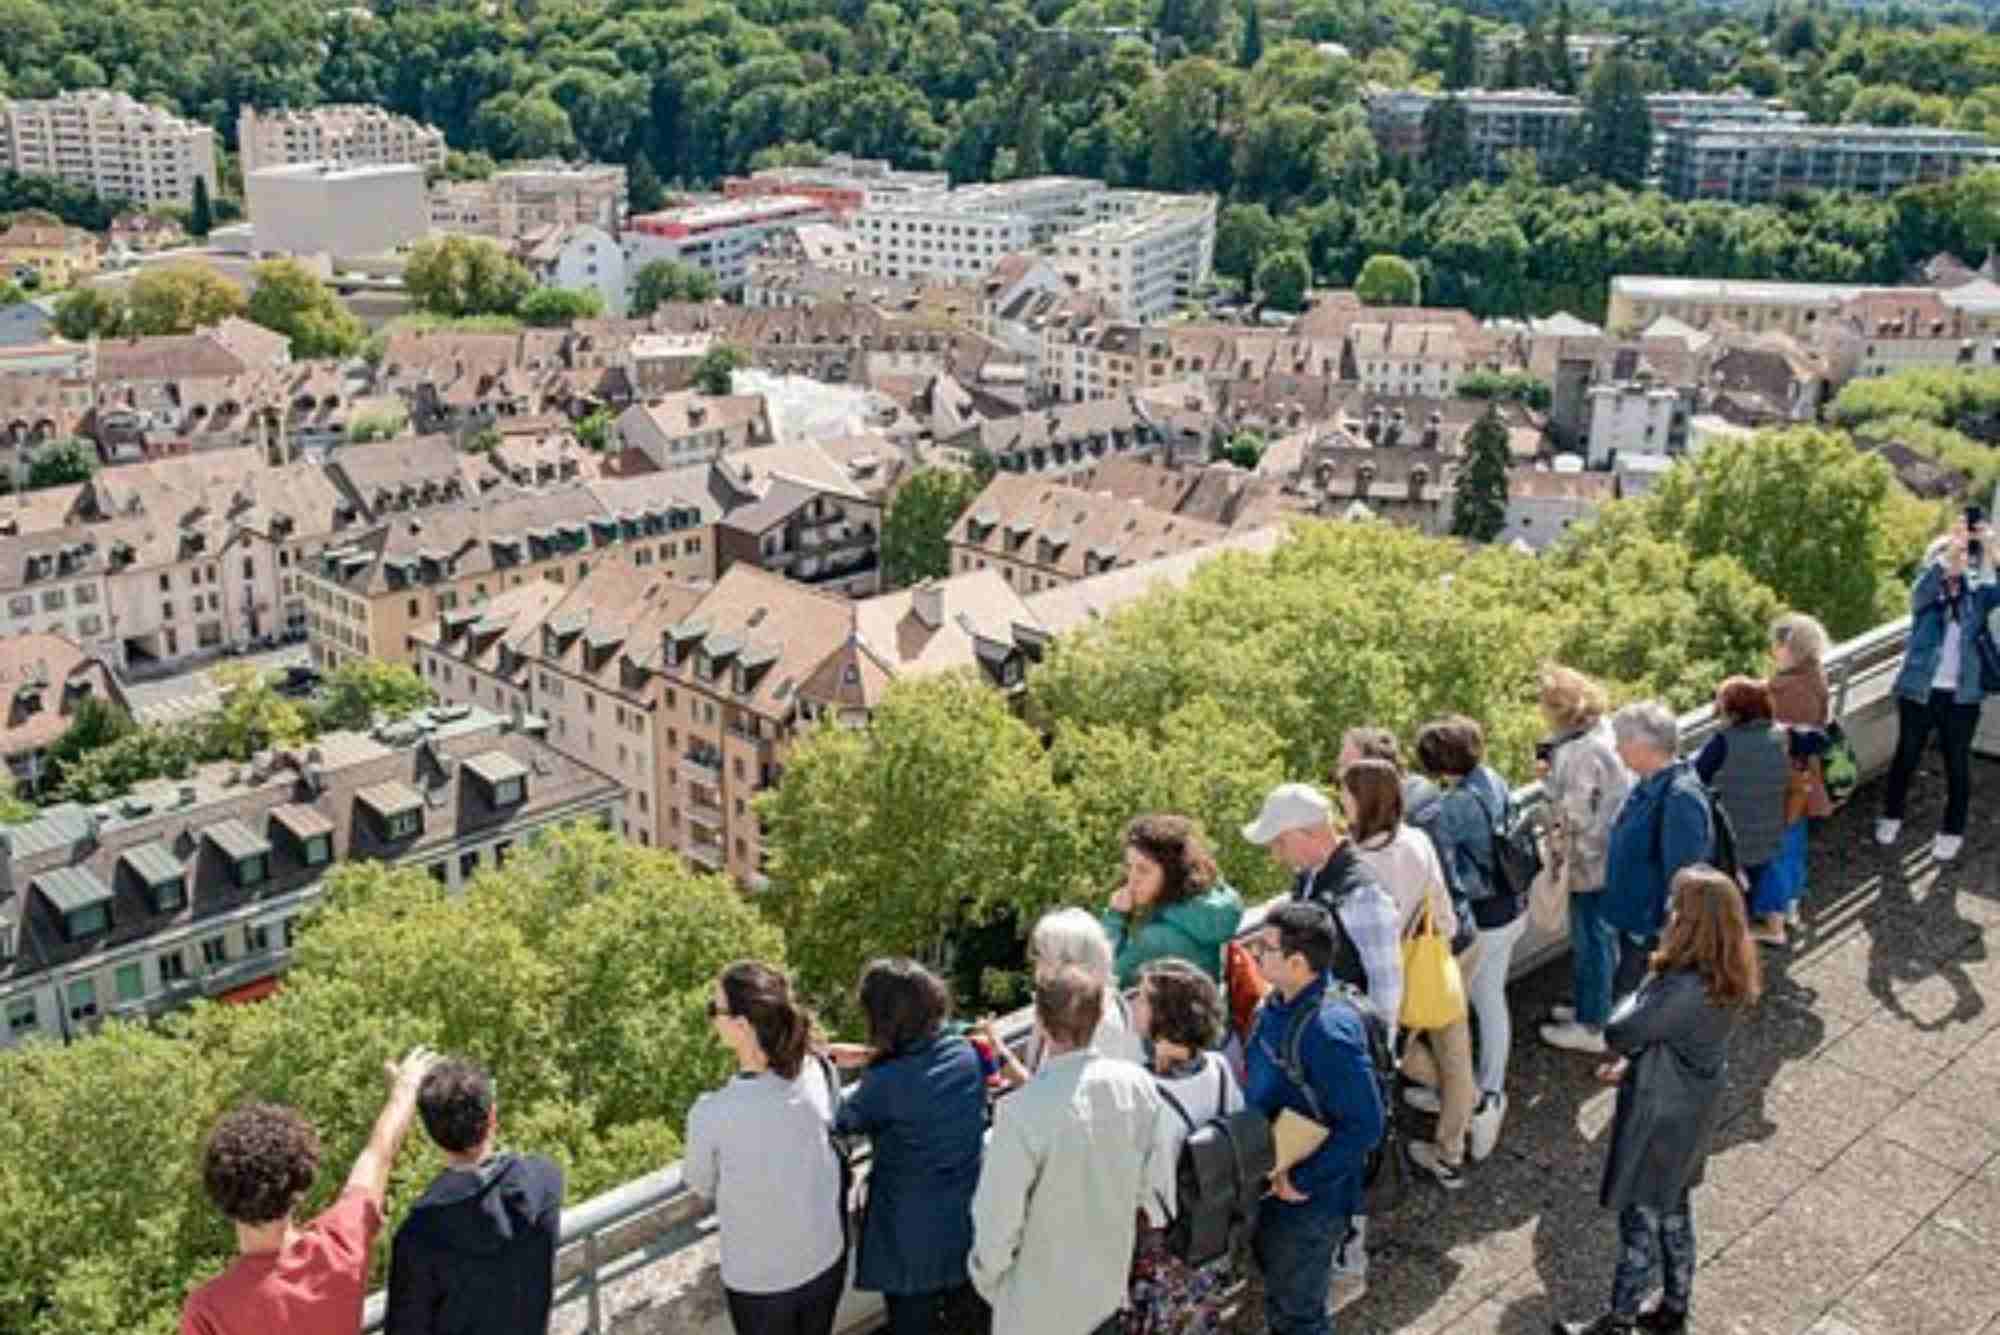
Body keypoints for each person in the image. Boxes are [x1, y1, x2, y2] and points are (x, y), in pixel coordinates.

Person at [1552, 868, 1762, 1335]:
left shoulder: (1681, 986)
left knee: (1639, 1220)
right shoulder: (1724, 972)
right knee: (1674, 1209)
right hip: (1692, 1106)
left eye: (1675, 906)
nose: (1667, 912)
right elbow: (1673, 1039)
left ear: (1691, 923)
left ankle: (1619, 1320)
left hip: (1660, 1115)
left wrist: (1649, 981)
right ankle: (1675, 1304)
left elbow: (1621, 1029)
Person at [181, 1046, 440, 1335]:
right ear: (299, 1186)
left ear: (218, 1193)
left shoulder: (208, 1310)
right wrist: (404, 1091)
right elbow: (377, 1155)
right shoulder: (341, 1247)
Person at [970, 963, 1162, 1335]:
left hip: (1037, 1304)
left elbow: (997, 1221)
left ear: (1040, 1020)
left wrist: (990, 1280)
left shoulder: (1020, 1112)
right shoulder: (1137, 1085)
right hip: (1106, 1287)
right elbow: (1150, 1191)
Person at [1244, 902, 1387, 1335]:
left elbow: (1366, 1125)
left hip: (1308, 1200)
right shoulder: (1279, 1002)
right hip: (1276, 1178)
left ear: (1297, 963)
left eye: (1265, 948)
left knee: (1299, 1313)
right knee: (1284, 1292)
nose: (1254, 952)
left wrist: (1301, 1181)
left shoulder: (1329, 1031)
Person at [684, 961, 847, 1335]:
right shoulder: (816, 1071)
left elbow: (700, 1183)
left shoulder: (712, 1113)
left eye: (715, 1010)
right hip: (825, 1256)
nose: (712, 1018)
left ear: (741, 1026)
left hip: (761, 1282)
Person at [827, 959, 988, 1335]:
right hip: (966, 1222)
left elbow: (842, 1122)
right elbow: (924, 1065)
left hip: (909, 1241)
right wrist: (871, 1056)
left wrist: (829, 1066)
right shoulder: (964, 1055)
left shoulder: (885, 1083)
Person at [1339, 757, 1476, 1191]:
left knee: (1396, 1053)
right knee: (1457, 1060)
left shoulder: (1355, 860)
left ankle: (1441, 1110)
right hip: (1433, 963)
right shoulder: (1417, 840)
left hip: (1388, 976)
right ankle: (1451, 1151)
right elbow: (1441, 905)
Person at [384, 1057, 565, 1335]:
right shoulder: (543, 1180)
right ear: (492, 1116)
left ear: (430, 1134)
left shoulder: (418, 1238)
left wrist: (404, 1098)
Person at [1410, 716, 1519, 1161]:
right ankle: (1474, 1089)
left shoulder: (1453, 805)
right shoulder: (1490, 779)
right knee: (1489, 999)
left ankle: (1486, 1093)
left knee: (1486, 1000)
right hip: (1513, 901)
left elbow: (1448, 865)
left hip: (1488, 913)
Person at [1128, 959, 1244, 1335]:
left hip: (1167, 1242)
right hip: (1213, 1227)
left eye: (1143, 999)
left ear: (1164, 1015)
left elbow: (1150, 1188)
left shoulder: (1145, 1092)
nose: (1134, 1005)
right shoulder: (1218, 1067)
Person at [1878, 519, 2000, 865]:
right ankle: (1891, 814)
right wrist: (1952, 553)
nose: (1957, 565)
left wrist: (1989, 548)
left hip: (1962, 697)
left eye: (1962, 559)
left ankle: (1953, 828)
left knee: (1956, 763)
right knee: (1907, 757)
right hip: (1919, 691)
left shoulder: (1977, 597)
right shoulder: (1927, 597)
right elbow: (1923, 589)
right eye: (1948, 560)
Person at [1242, 782, 1403, 1035]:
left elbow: (1386, 984)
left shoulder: (1361, 893)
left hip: (1345, 1040)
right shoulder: (1310, 878)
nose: (1276, 856)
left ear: (1307, 833)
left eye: (1280, 843)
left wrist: (1380, 1052)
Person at [1536, 666, 1633, 1057]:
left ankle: (1593, 1024)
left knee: (1593, 940)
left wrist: (1544, 784)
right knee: (1601, 938)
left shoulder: (1581, 752)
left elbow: (1573, 815)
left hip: (1591, 860)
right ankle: (1595, 1005)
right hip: (1613, 852)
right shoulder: (1603, 731)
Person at [1692, 676, 1825, 948]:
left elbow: (1697, 776)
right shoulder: (1784, 735)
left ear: (1733, 711)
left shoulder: (1722, 742)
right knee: (1767, 871)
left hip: (1733, 827)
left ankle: (1732, 932)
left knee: (1731, 878)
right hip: (1773, 823)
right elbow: (1821, 739)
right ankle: (1775, 927)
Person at [1602, 703, 1713, 1011]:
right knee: (1625, 980)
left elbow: (1686, 878)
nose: (1616, 748)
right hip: (1636, 915)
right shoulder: (1651, 781)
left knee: (1632, 991)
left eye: (1621, 741)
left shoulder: (1680, 797)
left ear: (1642, 746)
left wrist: (1670, 937)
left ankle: (1616, 1041)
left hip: (1649, 925)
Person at [986, 908, 1145, 1085]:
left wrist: (1001, 1055)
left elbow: (1057, 1096)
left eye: (1040, 955)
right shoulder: (1081, 1003)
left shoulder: (1097, 1019)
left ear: (1067, 961)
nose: (1035, 963)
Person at [1103, 814, 1245, 987]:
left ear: (1171, 873)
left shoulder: (1156, 939)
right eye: (1129, 867)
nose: (1132, 879)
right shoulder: (1208, 908)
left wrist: (1115, 918)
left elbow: (1104, 979)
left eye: (1143, 870)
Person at [1764, 612, 1832, 938]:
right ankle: (1791, 902)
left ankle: (1775, 915)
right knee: (1793, 842)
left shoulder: (1785, 689)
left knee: (1776, 844)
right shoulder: (1816, 676)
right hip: (1806, 776)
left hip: (1782, 780)